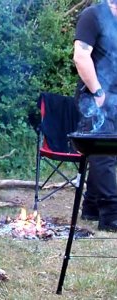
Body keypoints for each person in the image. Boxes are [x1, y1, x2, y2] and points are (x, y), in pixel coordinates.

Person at [73, 0, 117, 231]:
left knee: (108, 152)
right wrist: (98, 92)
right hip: (94, 97)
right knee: (104, 150)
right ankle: (111, 215)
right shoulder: (93, 15)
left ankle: (91, 206)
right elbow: (81, 57)